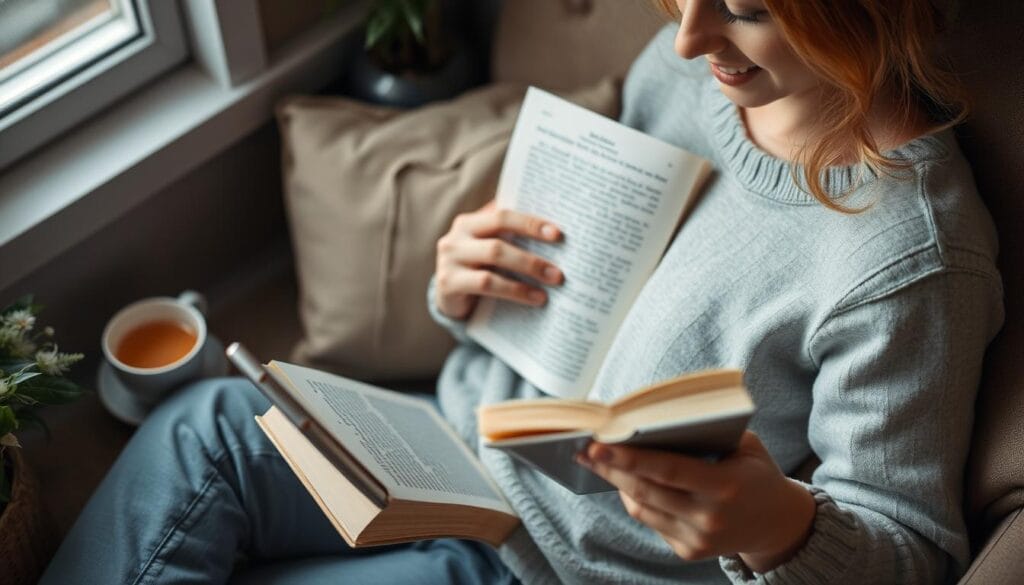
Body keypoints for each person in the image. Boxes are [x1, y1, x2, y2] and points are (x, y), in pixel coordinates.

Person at [41, 0, 1003, 583]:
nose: (688, 39)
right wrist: (462, 285)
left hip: (543, 565)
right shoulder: (710, 82)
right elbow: (589, 279)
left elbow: (913, 552)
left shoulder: (908, 260)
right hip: (444, 442)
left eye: (748, 6)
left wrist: (779, 530)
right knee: (207, 419)